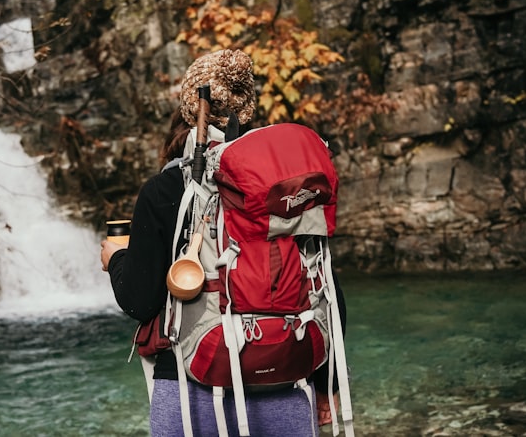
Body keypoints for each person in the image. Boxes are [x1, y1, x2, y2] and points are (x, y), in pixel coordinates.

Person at [100, 49, 347, 436]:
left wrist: (117, 258)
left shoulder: (167, 188)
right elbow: (325, 288)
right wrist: (328, 386)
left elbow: (140, 300)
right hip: (286, 378)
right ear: (248, 108)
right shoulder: (285, 187)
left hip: (190, 386)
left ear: (188, 107)